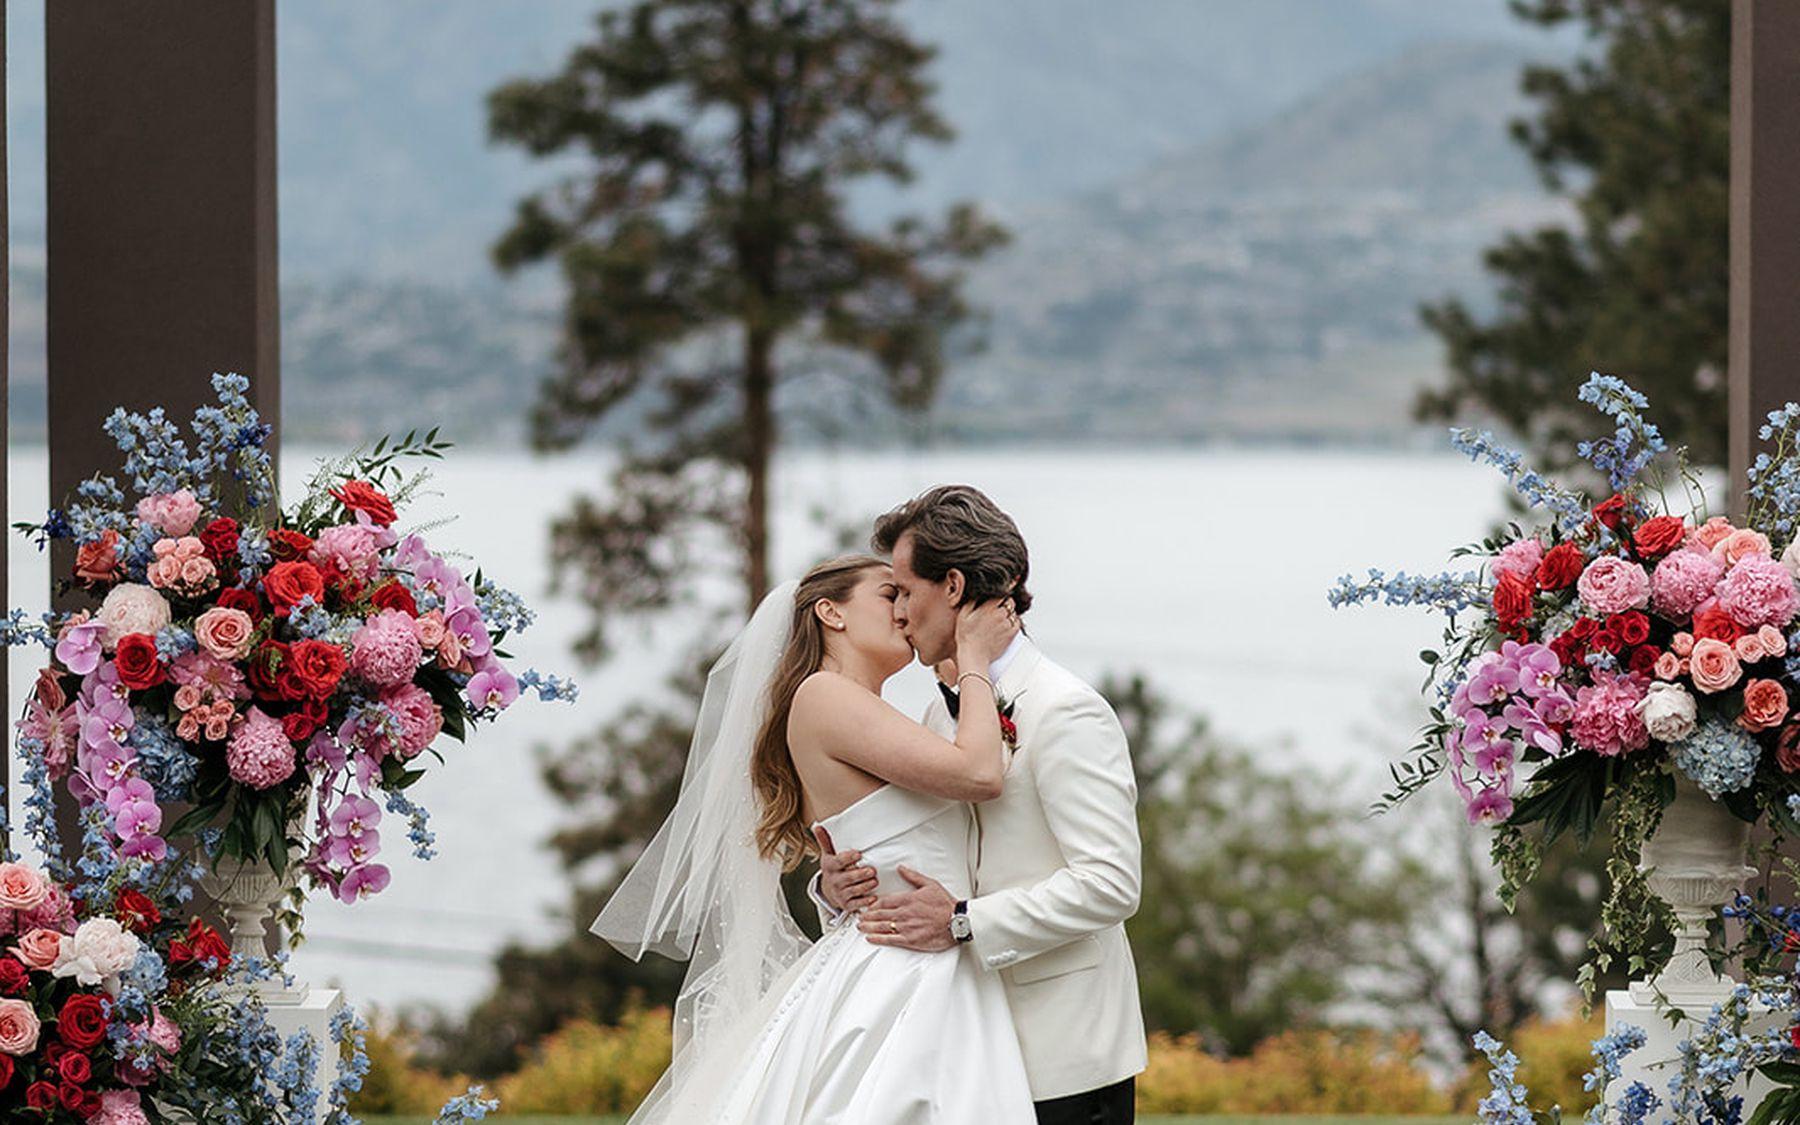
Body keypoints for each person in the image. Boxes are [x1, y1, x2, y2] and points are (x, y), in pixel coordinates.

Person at [592, 553, 1037, 1122]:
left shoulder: (870, 709)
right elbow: (978, 774)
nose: (904, 611)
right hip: (903, 971)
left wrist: (830, 889)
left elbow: (886, 844)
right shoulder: (825, 696)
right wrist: (974, 658)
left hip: (921, 952)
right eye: (888, 594)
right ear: (831, 612)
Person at [816, 485, 1148, 1124]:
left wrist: (964, 921)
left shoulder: (1065, 710)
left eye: (907, 592)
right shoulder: (937, 713)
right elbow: (922, 848)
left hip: (1061, 1051)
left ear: (954, 587)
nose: (901, 615)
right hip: (963, 1047)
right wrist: (840, 885)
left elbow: (1111, 885)